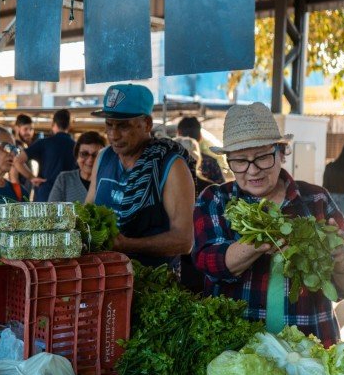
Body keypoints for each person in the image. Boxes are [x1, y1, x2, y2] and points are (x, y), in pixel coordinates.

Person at [193, 103, 344, 347]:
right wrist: (258, 243)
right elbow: (208, 262)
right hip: (238, 350)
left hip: (312, 347)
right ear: (229, 162)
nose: (253, 170)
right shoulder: (215, 199)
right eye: (240, 161)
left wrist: (342, 263)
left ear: (281, 153)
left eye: (263, 157)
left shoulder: (316, 200)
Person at [86, 84, 196, 269]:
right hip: (104, 276)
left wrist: (126, 245)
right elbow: (89, 207)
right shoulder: (104, 157)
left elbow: (184, 241)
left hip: (153, 283)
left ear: (147, 124)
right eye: (109, 125)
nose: (113, 134)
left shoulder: (170, 165)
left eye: (123, 126)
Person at [13, 109, 76, 202]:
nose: (29, 132)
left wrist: (32, 178)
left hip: (45, 195)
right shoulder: (76, 146)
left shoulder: (43, 143)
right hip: (69, 195)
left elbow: (17, 161)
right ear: (69, 125)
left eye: (30, 129)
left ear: (53, 124)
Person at [49, 131, 107, 203]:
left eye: (96, 155)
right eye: (84, 154)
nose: (90, 160)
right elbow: (52, 210)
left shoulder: (108, 182)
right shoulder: (64, 179)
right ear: (77, 156)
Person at [177, 116, 226, 184]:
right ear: (200, 136)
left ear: (178, 135)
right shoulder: (211, 162)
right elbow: (222, 189)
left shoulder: (169, 161)